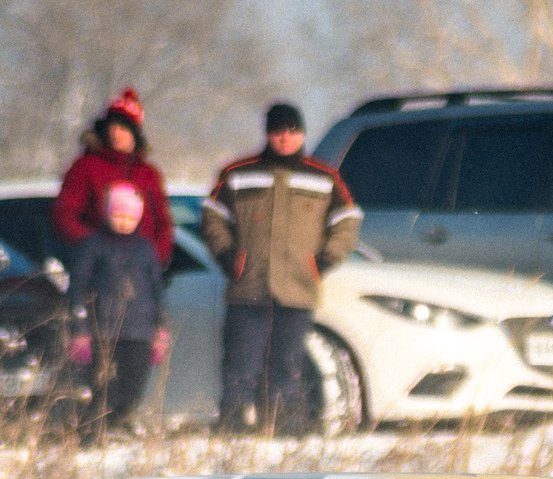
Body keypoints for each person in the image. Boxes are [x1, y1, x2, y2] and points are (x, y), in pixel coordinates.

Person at [202, 102, 361, 433]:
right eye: (278, 132)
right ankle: (232, 427)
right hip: (248, 287)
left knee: (286, 365)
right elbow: (213, 217)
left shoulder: (323, 177)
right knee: (239, 363)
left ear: (301, 134)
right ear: (268, 134)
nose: (285, 138)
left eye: (292, 131)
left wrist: (324, 261)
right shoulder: (238, 173)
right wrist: (228, 257)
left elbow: (347, 221)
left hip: (297, 288)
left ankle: (283, 427)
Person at [66, 182, 165, 437]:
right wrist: (80, 330)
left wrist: (160, 329)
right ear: (108, 215)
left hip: (139, 330)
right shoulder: (94, 245)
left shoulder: (145, 248)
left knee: (133, 382)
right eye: (118, 216)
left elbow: (156, 290)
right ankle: (95, 428)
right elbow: (78, 287)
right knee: (100, 383)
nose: (123, 222)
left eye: (129, 217)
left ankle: (123, 421)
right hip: (103, 330)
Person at [52, 88, 174, 266]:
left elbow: (163, 224)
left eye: (123, 128)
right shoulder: (85, 167)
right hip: (97, 269)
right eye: (112, 127)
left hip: (141, 272)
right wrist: (97, 248)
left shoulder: (149, 174)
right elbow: (64, 216)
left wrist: (154, 257)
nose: (116, 133)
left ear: (135, 134)